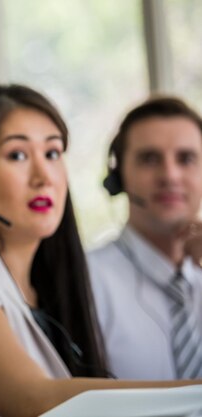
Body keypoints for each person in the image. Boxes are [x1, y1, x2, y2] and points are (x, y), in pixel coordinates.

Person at [0, 85, 202, 417]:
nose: (43, 176)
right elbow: (36, 400)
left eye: (53, 153)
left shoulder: (50, 296)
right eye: (17, 155)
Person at [87, 97, 202, 380]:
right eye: (150, 159)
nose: (170, 175)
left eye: (186, 159)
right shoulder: (84, 280)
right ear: (118, 176)